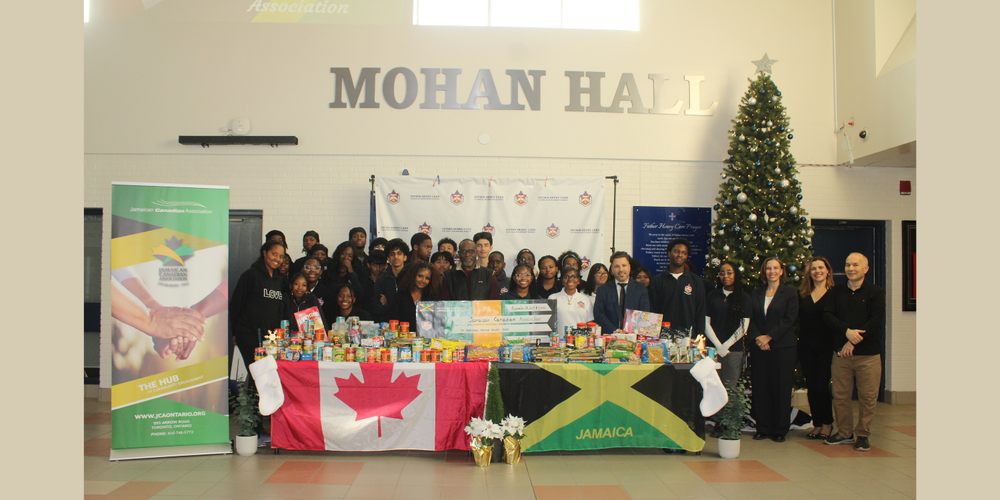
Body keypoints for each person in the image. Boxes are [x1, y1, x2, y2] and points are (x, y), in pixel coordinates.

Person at [823, 253, 885, 452]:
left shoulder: (875, 292)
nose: (851, 268)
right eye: (848, 264)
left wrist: (853, 341)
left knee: (867, 397)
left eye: (855, 265)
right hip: (841, 354)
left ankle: (863, 434)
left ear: (865, 269)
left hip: (868, 355)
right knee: (840, 395)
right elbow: (828, 316)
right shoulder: (836, 292)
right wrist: (847, 333)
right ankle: (844, 432)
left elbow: (875, 321)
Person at [747, 256, 799, 443]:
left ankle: (779, 429)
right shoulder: (756, 293)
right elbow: (749, 318)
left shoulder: (790, 293)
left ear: (782, 271)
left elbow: (789, 319)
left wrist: (769, 337)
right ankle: (763, 427)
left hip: (782, 347)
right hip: (759, 347)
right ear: (764, 272)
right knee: (761, 387)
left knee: (781, 388)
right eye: (768, 268)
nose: (772, 272)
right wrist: (759, 339)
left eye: (775, 268)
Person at [229, 241, 287, 392]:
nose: (278, 259)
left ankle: (264, 413)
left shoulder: (278, 280)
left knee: (268, 375)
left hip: (270, 338)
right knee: (258, 373)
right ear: (265, 253)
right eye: (274, 254)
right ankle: (255, 411)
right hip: (248, 333)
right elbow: (236, 304)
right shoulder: (251, 275)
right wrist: (235, 332)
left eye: (281, 256)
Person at [703, 262, 751, 438]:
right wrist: (717, 345)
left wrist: (726, 346)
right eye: (722, 273)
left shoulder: (744, 297)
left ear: (736, 275)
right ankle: (718, 422)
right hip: (712, 349)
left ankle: (730, 424)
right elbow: (705, 322)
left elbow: (743, 326)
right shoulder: (712, 296)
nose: (725, 276)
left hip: (733, 350)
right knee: (714, 386)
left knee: (730, 387)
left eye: (729, 272)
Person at [798, 256, 837, 441]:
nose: (817, 271)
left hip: (826, 347)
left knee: (821, 386)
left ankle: (828, 423)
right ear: (809, 273)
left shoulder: (835, 294)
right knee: (812, 387)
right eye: (813, 268)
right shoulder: (803, 293)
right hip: (806, 347)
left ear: (827, 270)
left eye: (821, 267)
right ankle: (818, 424)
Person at [647, 238, 706, 338]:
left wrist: (700, 337)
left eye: (684, 253)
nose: (680, 255)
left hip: (689, 337)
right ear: (669, 253)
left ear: (687, 256)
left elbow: (700, 312)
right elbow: (653, 311)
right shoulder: (658, 280)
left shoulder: (695, 281)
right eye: (677, 251)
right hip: (663, 336)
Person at [594, 251, 650, 333]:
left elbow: (644, 313)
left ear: (629, 267)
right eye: (617, 266)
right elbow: (599, 314)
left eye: (624, 265)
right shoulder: (603, 290)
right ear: (612, 270)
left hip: (633, 336)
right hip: (610, 336)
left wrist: (629, 331)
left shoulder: (640, 288)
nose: (621, 269)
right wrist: (614, 330)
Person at [371, 238, 409, 322]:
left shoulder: (411, 278)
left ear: (405, 257)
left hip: (407, 325)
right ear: (388, 258)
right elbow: (377, 308)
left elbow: (411, 307)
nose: (396, 257)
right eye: (392, 254)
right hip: (388, 325)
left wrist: (387, 304)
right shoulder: (381, 280)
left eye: (399, 254)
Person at [391, 262, 439, 327]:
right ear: (412, 275)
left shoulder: (433, 297)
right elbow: (395, 321)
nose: (423, 280)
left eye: (427, 278)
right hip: (404, 335)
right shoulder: (400, 297)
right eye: (420, 276)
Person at [551, 266, 594, 335]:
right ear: (562, 281)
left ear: (579, 281)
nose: (570, 279)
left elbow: (590, 323)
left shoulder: (585, 299)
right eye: (566, 277)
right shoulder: (553, 298)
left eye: (574, 277)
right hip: (558, 342)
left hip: (580, 341)